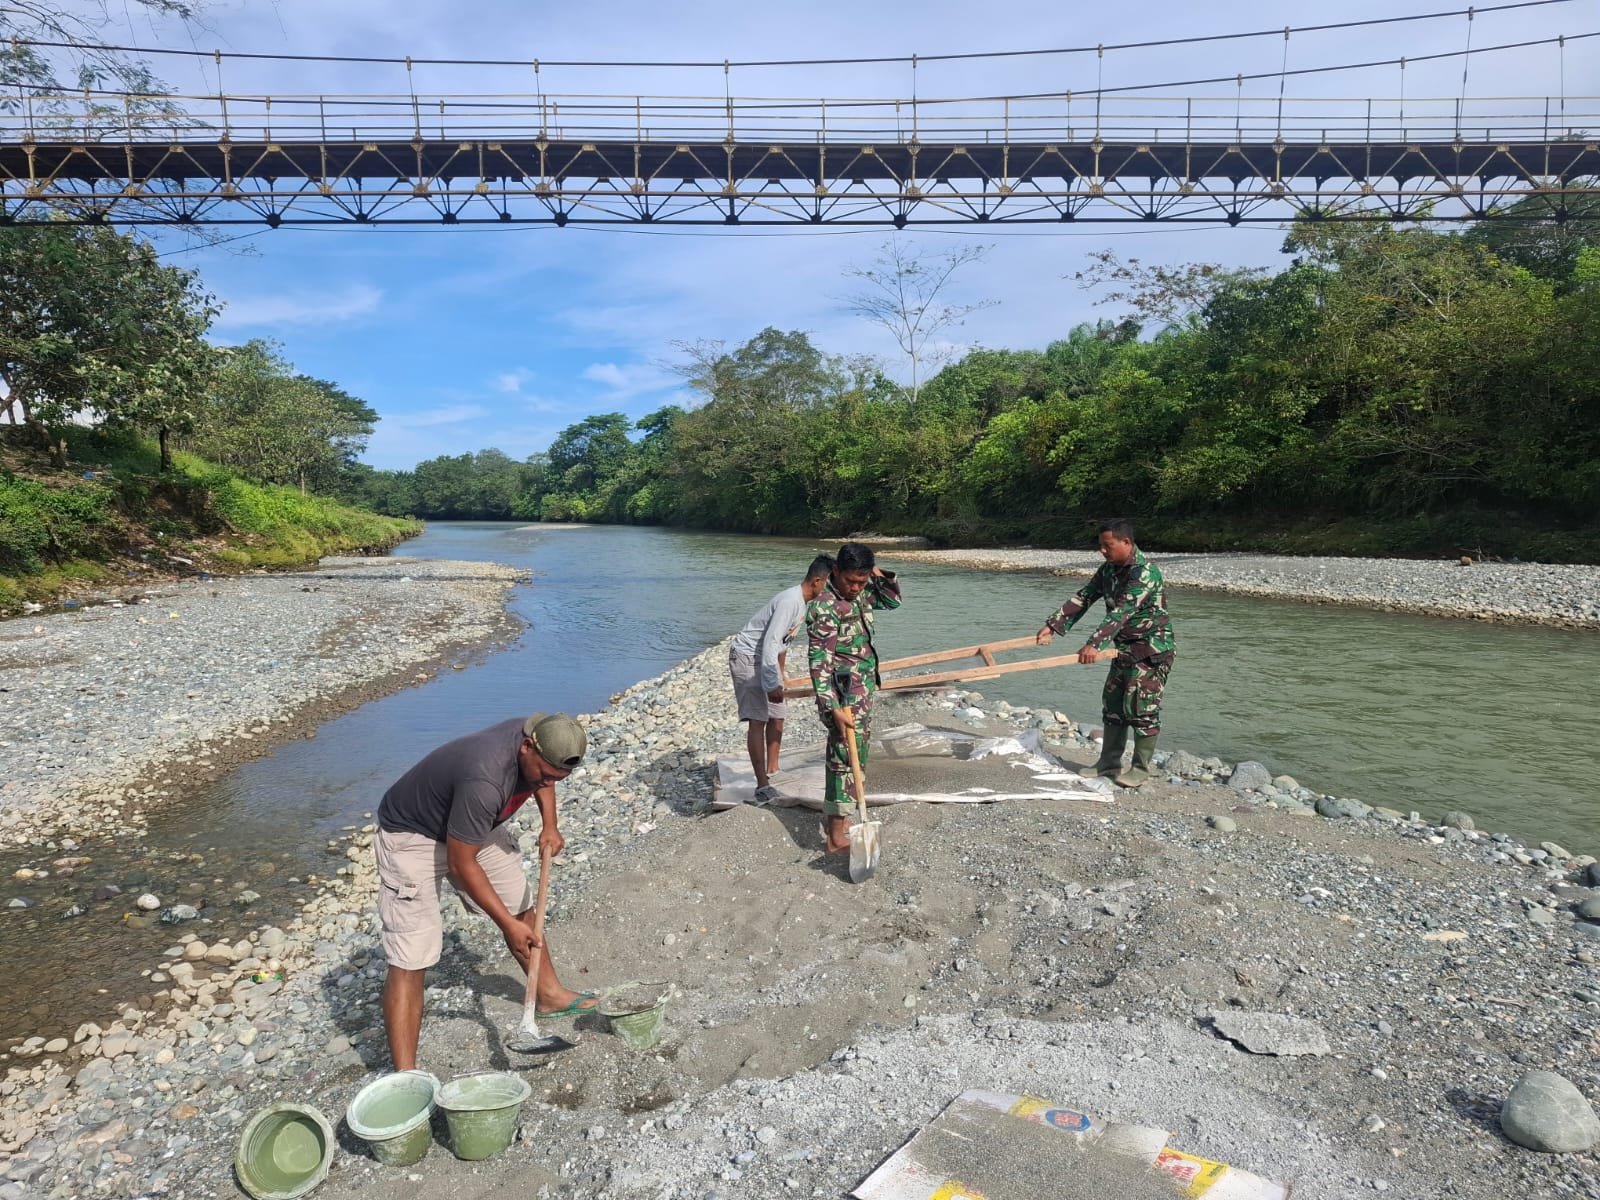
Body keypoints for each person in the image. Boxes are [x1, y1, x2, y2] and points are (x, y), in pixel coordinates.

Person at [374, 711, 594, 1071]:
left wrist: (550, 825)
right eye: (544, 773)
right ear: (526, 748)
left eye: (557, 777)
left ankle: (550, 996)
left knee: (522, 909)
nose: (547, 782)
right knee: (411, 957)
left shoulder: (544, 739)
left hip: (475, 827)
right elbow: (461, 863)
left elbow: (545, 777)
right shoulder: (486, 777)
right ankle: (406, 1075)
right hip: (412, 837)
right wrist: (505, 924)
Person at [1035, 520, 1175, 788]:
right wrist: (1053, 625)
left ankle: (1140, 769)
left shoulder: (1146, 573)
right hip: (1122, 650)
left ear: (1126, 542)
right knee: (1113, 707)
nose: (1102, 550)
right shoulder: (1109, 569)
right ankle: (1109, 762)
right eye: (1100, 545)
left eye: (1107, 545)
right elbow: (1085, 596)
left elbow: (1122, 612)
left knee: (1142, 709)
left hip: (1151, 651)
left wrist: (1094, 644)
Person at [807, 542, 903, 853]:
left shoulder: (861, 593)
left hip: (862, 689)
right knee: (842, 757)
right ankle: (836, 837)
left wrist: (878, 574)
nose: (855, 588)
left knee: (857, 753)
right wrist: (831, 706)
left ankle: (846, 818)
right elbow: (819, 662)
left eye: (861, 581)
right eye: (850, 581)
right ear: (836, 571)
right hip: (841, 695)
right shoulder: (825, 607)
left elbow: (892, 601)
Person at [729, 555, 835, 804]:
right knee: (758, 718)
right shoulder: (790, 602)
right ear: (818, 581)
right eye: (831, 585)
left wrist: (781, 674)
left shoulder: (805, 603)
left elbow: (783, 643)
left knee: (777, 713)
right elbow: (770, 642)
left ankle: (773, 769)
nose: (833, 592)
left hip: (767, 659)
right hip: (747, 657)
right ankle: (762, 785)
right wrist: (771, 683)